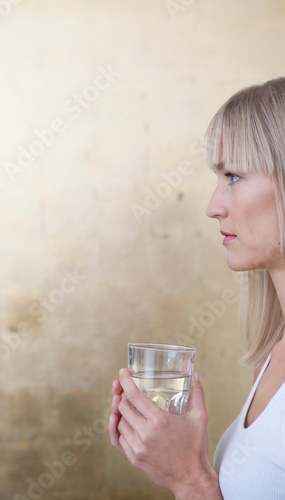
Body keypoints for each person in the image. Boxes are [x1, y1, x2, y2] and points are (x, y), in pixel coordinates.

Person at [108, 76, 285, 499]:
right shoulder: (277, 349)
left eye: (234, 176)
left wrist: (189, 479)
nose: (212, 206)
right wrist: (173, 454)